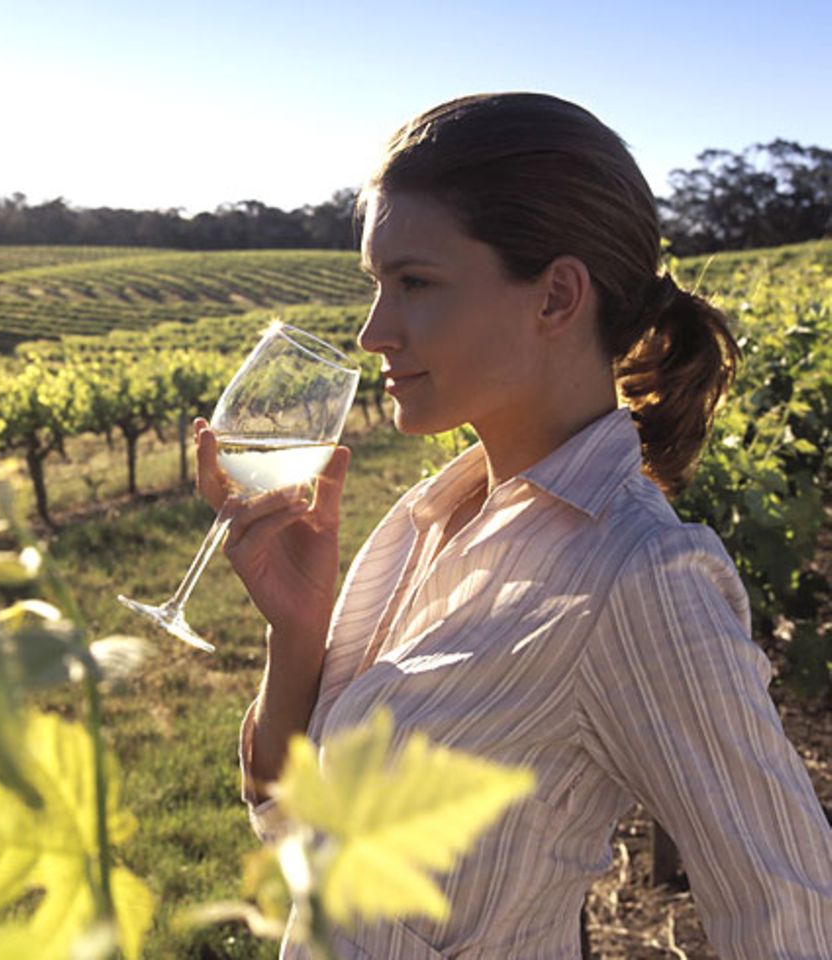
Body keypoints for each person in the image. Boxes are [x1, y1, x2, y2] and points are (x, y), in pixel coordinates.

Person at [194, 93, 832, 959]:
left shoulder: (637, 575)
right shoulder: (425, 522)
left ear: (556, 296)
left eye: (415, 283)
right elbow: (299, 826)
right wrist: (299, 635)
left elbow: (794, 917)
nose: (373, 332)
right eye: (376, 286)